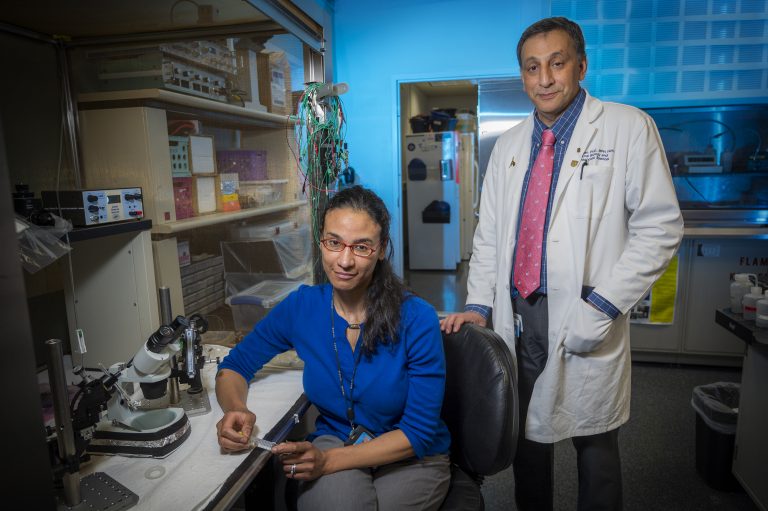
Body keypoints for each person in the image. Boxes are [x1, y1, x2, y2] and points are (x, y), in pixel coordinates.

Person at [441, 16, 684, 511]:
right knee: (526, 436)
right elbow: (489, 234)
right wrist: (478, 305)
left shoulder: (627, 128)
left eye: (556, 64)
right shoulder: (508, 145)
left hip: (584, 309)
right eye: (533, 68)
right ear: (523, 75)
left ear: (581, 65)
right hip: (518, 312)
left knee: (595, 446)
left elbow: (660, 226)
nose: (545, 79)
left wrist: (602, 304)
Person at [216, 185, 451, 511]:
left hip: (408, 454)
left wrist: (328, 461)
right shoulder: (302, 308)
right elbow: (234, 366)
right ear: (321, 241)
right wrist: (235, 409)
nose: (345, 260)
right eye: (334, 242)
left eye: (361, 247)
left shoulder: (417, 318)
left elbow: (418, 433)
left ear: (382, 249)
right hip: (336, 438)